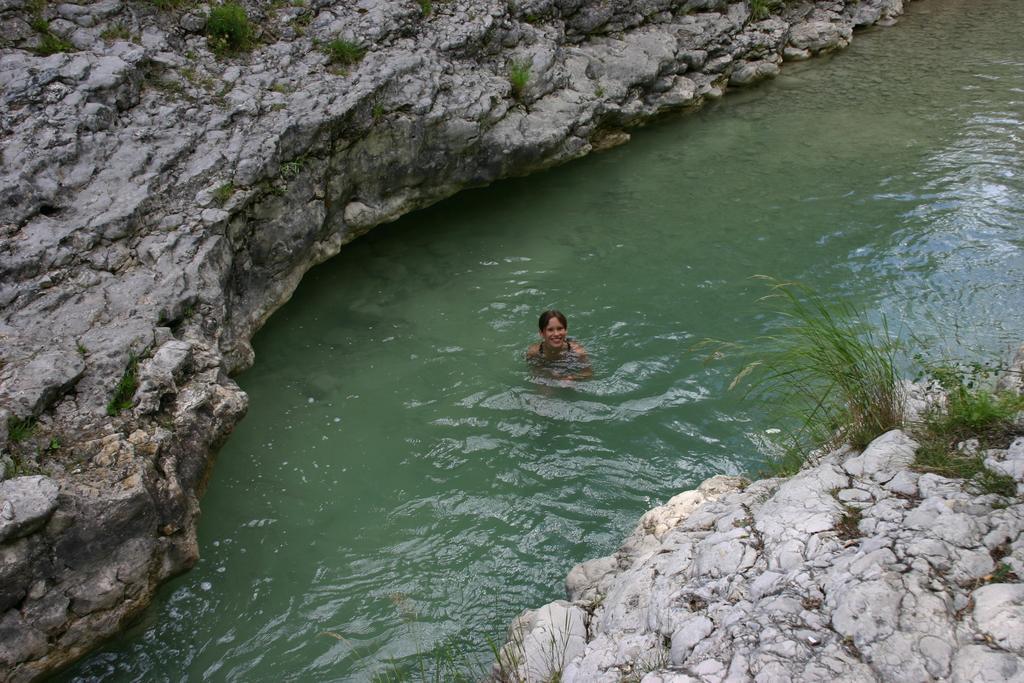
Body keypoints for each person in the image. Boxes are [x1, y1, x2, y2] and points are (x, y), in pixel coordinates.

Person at [526, 310, 592, 381]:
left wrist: (572, 378)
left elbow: (588, 373)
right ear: (541, 333)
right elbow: (536, 373)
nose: (556, 334)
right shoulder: (534, 352)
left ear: (566, 330)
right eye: (550, 330)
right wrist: (549, 374)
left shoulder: (577, 352)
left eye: (560, 329)